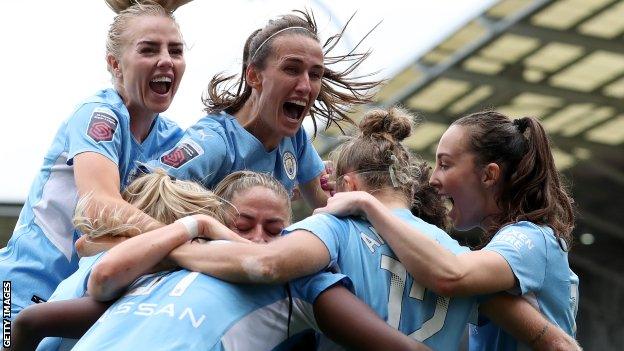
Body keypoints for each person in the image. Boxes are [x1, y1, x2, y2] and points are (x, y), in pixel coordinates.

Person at [113, 107, 578, 350]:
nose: (435, 178)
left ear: (349, 185)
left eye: (445, 164)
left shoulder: (332, 230)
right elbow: (545, 336)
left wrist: (176, 241)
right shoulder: (451, 251)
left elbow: (264, 262)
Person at [12, 171, 425, 351]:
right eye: (242, 225)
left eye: (275, 230)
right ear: (219, 221)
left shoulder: (299, 276)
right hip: (11, 293)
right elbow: (27, 321)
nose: (257, 240)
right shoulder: (150, 268)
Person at [314, 110, 580, 350]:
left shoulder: (531, 239)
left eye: (445, 164)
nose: (433, 179)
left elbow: (451, 274)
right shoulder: (509, 251)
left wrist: (367, 202)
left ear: (488, 175)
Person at [0, 0, 191, 319]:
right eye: (148, 50)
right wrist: (184, 241)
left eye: (176, 50)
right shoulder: (99, 114)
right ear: (115, 64)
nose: (166, 61)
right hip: (17, 295)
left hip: (82, 304)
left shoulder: (174, 139)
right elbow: (98, 205)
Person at [150, 9, 379, 209]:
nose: (306, 86)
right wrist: (202, 227)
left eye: (315, 74)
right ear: (254, 76)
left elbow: (328, 203)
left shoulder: (295, 140)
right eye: (291, 69)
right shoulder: (215, 144)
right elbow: (145, 195)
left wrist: (355, 195)